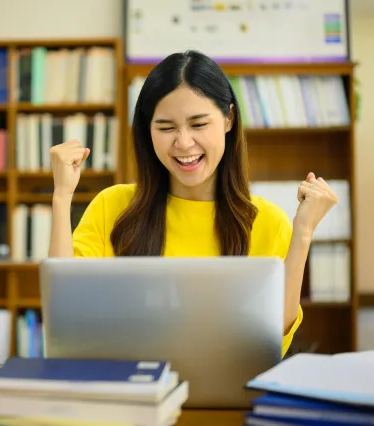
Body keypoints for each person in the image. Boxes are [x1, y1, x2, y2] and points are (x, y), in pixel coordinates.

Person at [48, 50, 338, 358]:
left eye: (198, 124)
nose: (183, 143)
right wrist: (61, 196)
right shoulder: (113, 205)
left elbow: (274, 338)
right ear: (148, 130)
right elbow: (64, 309)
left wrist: (303, 232)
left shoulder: (268, 221)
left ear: (229, 118)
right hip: (126, 394)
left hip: (225, 399)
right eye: (166, 127)